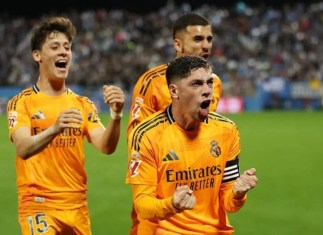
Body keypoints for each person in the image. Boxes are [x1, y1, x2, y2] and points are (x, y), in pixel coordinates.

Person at [6, 16, 125, 235]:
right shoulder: (22, 102)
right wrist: (54, 129)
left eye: (67, 47)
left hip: (76, 206)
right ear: (37, 55)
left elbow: (106, 146)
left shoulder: (82, 104)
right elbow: (23, 148)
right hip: (38, 205)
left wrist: (116, 116)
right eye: (55, 47)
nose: (63, 52)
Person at [126, 55, 258, 235]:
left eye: (209, 83)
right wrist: (171, 204)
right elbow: (142, 204)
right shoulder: (147, 135)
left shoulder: (227, 130)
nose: (207, 91)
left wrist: (237, 193)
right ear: (174, 91)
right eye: (196, 84)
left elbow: (229, 204)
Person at [127, 12, 222, 234]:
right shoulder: (152, 81)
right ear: (178, 44)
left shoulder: (214, 83)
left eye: (209, 39)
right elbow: (136, 138)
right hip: (161, 190)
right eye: (198, 39)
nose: (206, 45)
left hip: (199, 185)